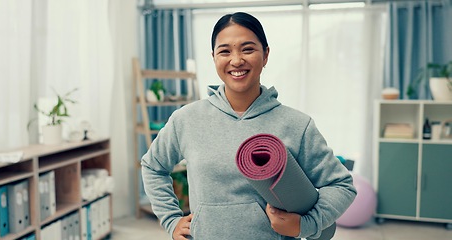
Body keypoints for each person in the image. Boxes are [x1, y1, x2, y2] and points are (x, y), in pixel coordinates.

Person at [141, 12, 357, 240]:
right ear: (214, 57)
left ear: (265, 55)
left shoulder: (296, 124)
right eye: (225, 51)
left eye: (247, 49)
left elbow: (341, 185)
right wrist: (171, 220)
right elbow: (153, 167)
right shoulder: (186, 119)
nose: (236, 60)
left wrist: (305, 224)